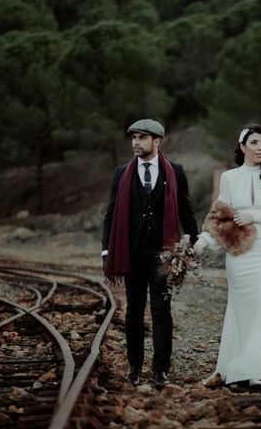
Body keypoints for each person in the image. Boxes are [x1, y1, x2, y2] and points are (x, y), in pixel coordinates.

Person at [194, 124, 261, 388]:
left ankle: (259, 368)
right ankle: (241, 370)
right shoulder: (230, 178)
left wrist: (257, 216)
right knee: (241, 310)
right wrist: (203, 241)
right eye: (253, 143)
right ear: (242, 147)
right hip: (239, 256)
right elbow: (221, 217)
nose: (259, 148)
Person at [102, 118, 199, 389]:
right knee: (134, 312)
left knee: (161, 311)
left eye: (142, 137)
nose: (136, 142)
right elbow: (110, 215)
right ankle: (134, 367)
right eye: (133, 137)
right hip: (130, 254)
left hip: (164, 255)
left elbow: (186, 211)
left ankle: (160, 370)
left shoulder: (175, 171)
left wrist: (195, 244)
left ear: (157, 141)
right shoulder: (122, 173)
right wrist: (107, 250)